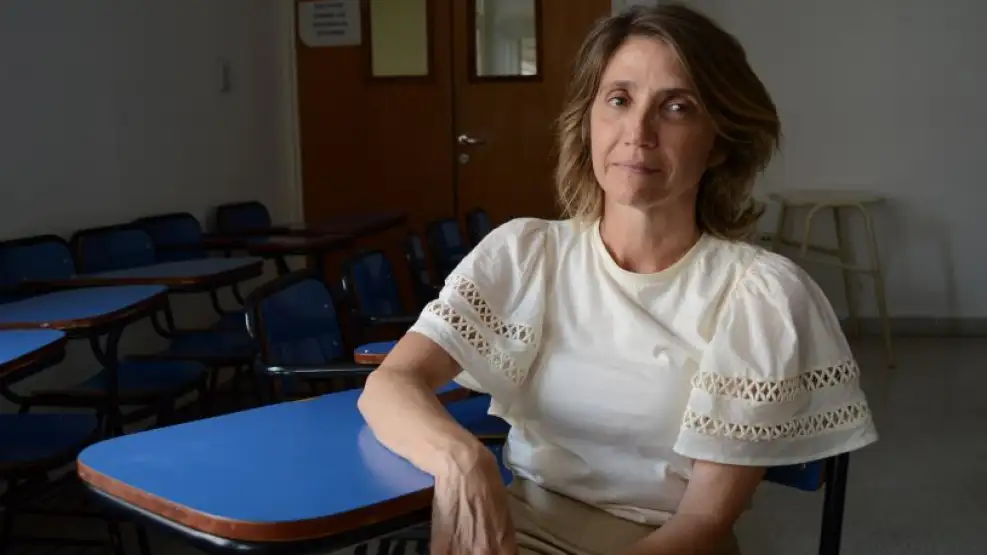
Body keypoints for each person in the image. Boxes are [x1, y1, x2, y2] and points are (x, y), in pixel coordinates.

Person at [358, 3, 878, 555]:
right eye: (619, 100)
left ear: (721, 142)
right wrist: (463, 461)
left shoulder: (760, 296)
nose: (638, 132)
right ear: (589, 121)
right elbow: (391, 384)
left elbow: (703, 522)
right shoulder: (526, 254)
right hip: (517, 528)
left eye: (676, 108)